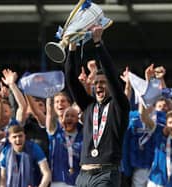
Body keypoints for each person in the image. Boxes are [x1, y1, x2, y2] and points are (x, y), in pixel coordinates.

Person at [65, 25, 130, 187]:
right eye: (95, 83)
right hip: (83, 175)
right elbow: (71, 79)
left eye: (102, 83)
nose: (98, 86)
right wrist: (72, 47)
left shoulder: (119, 106)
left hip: (106, 174)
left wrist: (98, 43)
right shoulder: (88, 106)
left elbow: (112, 76)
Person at [47, 105, 83, 187]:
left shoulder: (82, 136)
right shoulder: (55, 133)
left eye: (73, 116)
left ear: (78, 119)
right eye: (67, 116)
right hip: (57, 181)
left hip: (77, 182)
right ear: (62, 119)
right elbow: (50, 113)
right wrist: (49, 96)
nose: (69, 118)